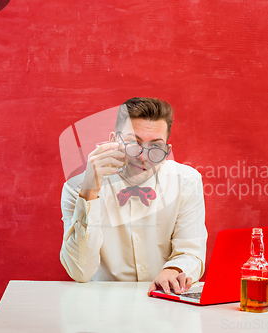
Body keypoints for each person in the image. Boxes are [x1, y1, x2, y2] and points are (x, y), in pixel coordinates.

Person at [60, 97, 207, 296]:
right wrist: (89, 193)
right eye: (132, 143)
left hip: (164, 302)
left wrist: (173, 271)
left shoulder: (187, 182)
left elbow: (191, 251)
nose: (143, 156)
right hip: (100, 308)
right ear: (113, 141)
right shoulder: (76, 188)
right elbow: (80, 271)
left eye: (155, 147)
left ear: (167, 151)